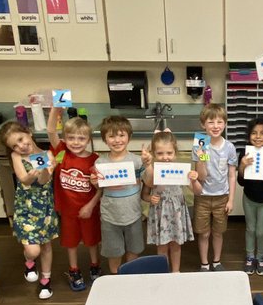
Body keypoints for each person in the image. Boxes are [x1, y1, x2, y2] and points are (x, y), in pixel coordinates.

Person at [0, 121, 58, 299]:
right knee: (34, 250)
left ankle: (46, 281)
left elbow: (44, 181)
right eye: (14, 145)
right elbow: (23, 180)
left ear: (29, 133)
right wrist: (31, 175)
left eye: (21, 139)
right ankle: (29, 261)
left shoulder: (48, 154)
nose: (20, 146)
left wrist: (46, 171)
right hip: (26, 208)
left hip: (45, 207)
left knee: (46, 245)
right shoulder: (17, 157)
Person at [47, 106, 101, 290]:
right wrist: (56, 110)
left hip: (89, 209)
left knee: (92, 240)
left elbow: (102, 189)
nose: (76, 142)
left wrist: (91, 206)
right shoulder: (62, 153)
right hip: (68, 210)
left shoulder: (95, 160)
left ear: (88, 139)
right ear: (65, 139)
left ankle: (95, 266)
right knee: (71, 243)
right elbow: (50, 130)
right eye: (71, 138)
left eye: (81, 138)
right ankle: (74, 270)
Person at [141, 131, 199, 272]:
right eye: (160, 153)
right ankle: (163, 272)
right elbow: (145, 193)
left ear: (175, 153)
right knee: (161, 246)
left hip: (176, 212)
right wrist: (150, 198)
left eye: (169, 153)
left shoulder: (181, 171)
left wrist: (194, 179)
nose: (165, 157)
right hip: (160, 213)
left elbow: (197, 191)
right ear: (154, 154)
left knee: (176, 244)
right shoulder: (152, 170)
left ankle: (175, 271)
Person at [96, 115, 145, 275]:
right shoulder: (100, 163)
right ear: (105, 139)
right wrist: (93, 181)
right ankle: (116, 277)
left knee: (134, 249)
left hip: (133, 214)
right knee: (114, 252)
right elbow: (98, 187)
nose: (117, 140)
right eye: (111, 136)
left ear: (129, 137)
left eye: (121, 135)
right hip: (110, 216)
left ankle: (130, 277)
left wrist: (149, 163)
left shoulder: (137, 161)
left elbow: (150, 182)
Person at [193, 103, 238, 271]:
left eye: (219, 122)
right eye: (211, 122)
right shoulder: (200, 144)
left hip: (222, 197)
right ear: (203, 124)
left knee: (218, 232)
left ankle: (217, 261)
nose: (215, 126)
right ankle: (204, 263)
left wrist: (231, 200)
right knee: (204, 233)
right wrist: (202, 158)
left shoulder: (230, 147)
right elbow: (202, 176)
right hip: (203, 196)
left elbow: (232, 175)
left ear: (225, 124)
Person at [236, 118, 263, 276]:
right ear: (248, 136)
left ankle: (261, 258)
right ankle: (250, 256)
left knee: (261, 231)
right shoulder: (245, 153)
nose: (258, 137)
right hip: (249, 197)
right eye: (254, 133)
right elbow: (241, 181)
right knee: (250, 229)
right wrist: (242, 166)